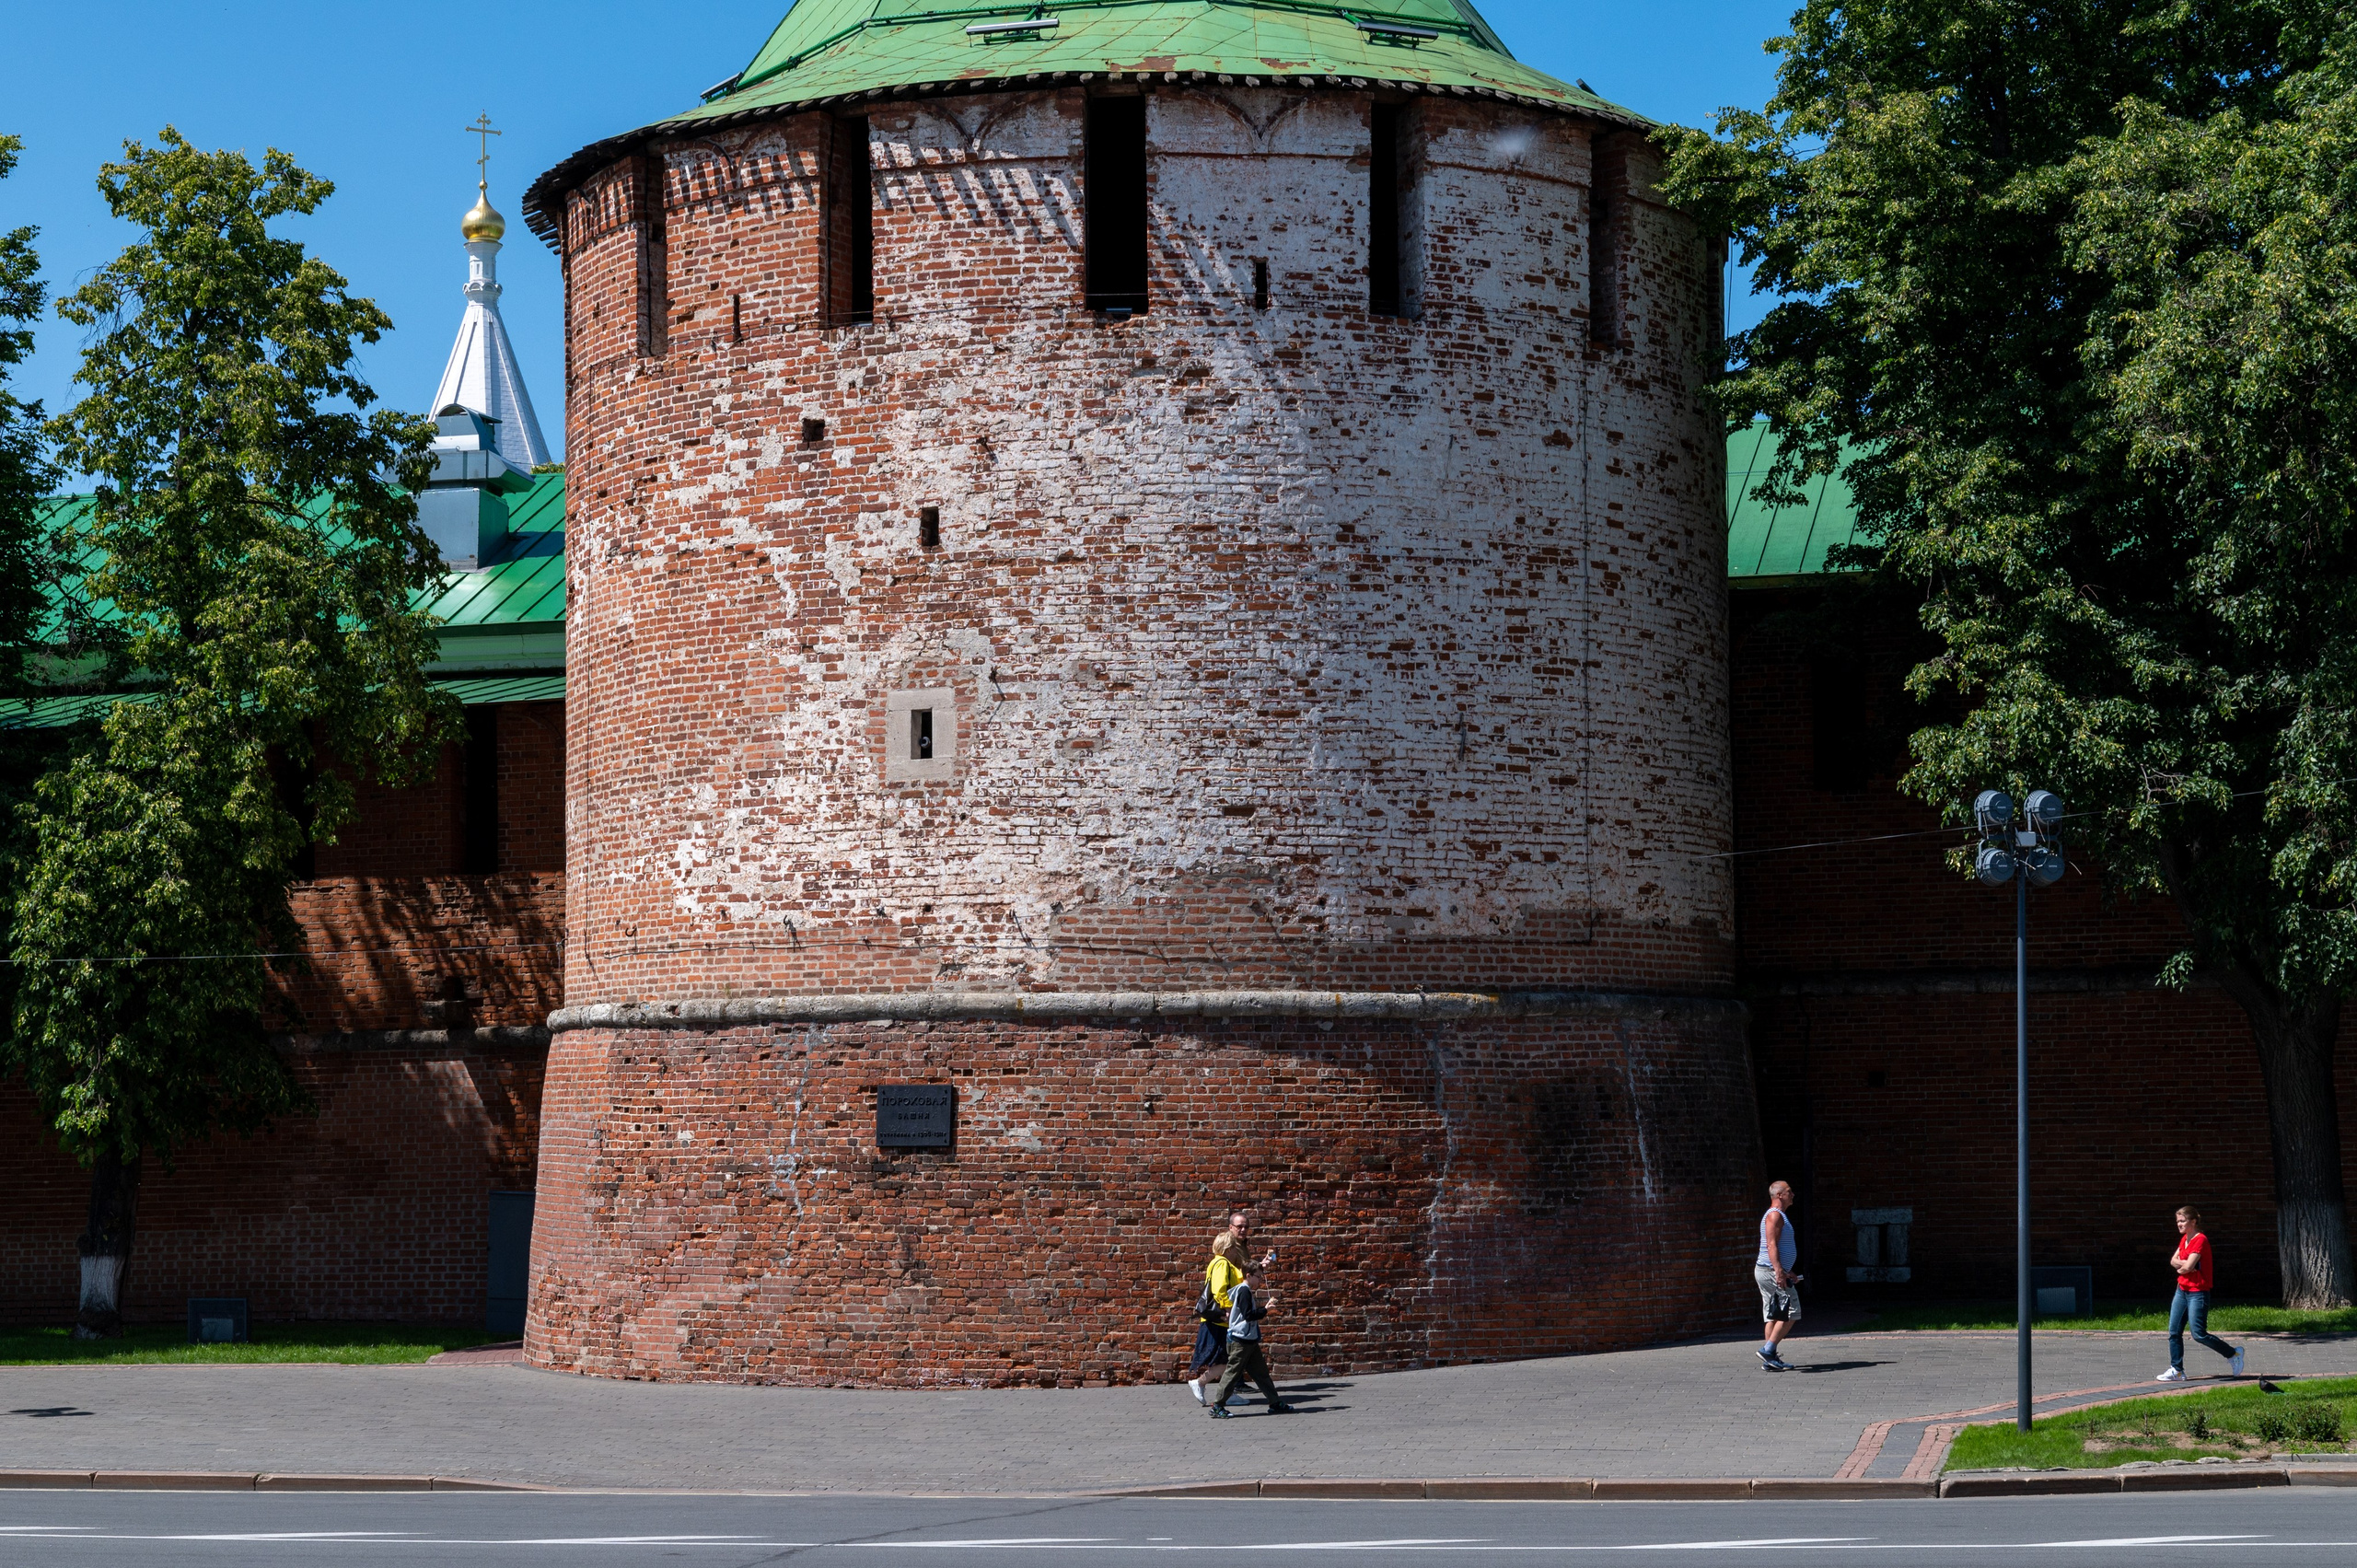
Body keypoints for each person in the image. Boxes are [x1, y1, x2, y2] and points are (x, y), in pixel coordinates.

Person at [2157, 1204, 2245, 1381]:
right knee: (2174, 1331)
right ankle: (2177, 1370)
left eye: (2182, 1221)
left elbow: (2187, 1266)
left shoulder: (2200, 1240)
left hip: (2198, 1292)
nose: (2179, 1224)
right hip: (2182, 1290)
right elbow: (2173, 1261)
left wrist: (2187, 1266)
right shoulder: (2185, 1239)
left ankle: (2233, 1354)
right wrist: (2187, 1266)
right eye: (2178, 1221)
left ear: (2193, 1221)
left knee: (2198, 1334)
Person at [1207, 1254, 1292, 1417]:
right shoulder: (1244, 1291)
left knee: (1261, 1373)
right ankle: (1217, 1406)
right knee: (1233, 1373)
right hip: (1240, 1340)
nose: (1260, 1280)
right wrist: (1266, 1309)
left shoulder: (1243, 1290)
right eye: (1258, 1277)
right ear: (1248, 1275)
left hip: (1249, 1340)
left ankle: (1275, 1402)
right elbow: (1248, 1315)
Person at [1186, 1233, 1244, 1406]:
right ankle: (1200, 1382)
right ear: (1228, 1248)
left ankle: (1227, 1393)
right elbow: (1219, 1290)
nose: (1236, 1251)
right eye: (1234, 1247)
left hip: (1219, 1321)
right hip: (1218, 1321)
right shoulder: (1221, 1263)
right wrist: (1228, 1309)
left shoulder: (1223, 1263)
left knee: (1228, 1359)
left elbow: (1238, 1280)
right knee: (1228, 1360)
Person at [1755, 1179, 1801, 1370]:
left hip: (1769, 1270)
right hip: (1770, 1271)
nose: (1793, 1194)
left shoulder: (1778, 1215)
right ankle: (1768, 1350)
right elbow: (1771, 1245)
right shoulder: (1774, 1215)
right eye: (1789, 1191)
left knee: (1773, 1315)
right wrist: (1779, 1272)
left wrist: (1786, 1270)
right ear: (1780, 1195)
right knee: (1792, 1311)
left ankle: (1770, 1360)